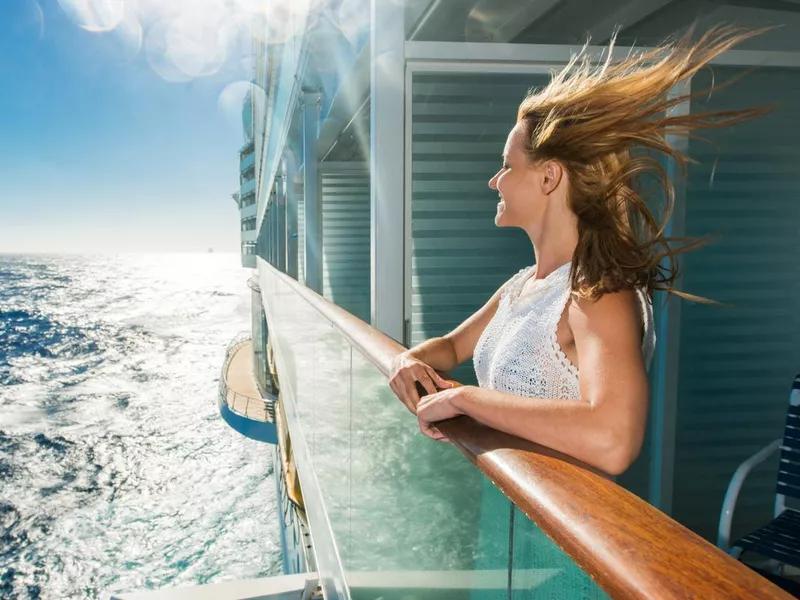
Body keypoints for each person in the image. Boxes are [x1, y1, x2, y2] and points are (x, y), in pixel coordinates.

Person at [388, 26, 771, 476]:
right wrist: (406, 360)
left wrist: (463, 398)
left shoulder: (599, 292)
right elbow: (452, 348)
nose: (495, 180)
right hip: (507, 512)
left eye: (507, 166)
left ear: (549, 178)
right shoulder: (523, 286)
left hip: (560, 531)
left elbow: (614, 439)